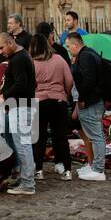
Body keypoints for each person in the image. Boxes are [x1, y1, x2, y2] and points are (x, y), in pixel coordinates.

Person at [0, 32, 37, 195]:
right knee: (22, 144)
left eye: (2, 47)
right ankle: (26, 179)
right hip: (20, 106)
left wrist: (3, 96)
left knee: (23, 145)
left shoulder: (18, 59)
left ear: (11, 43)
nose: (0, 52)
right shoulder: (22, 56)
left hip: (20, 107)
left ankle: (28, 183)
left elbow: (21, 84)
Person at [30, 33, 74, 181]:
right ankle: (67, 169)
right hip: (58, 101)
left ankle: (38, 169)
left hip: (39, 101)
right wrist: (65, 94)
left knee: (39, 137)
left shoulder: (32, 63)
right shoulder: (59, 59)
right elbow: (69, 80)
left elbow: (28, 85)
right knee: (61, 136)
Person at [66, 33, 108, 182]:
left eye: (68, 45)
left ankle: (98, 169)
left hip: (91, 101)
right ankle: (95, 167)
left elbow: (89, 79)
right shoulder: (89, 54)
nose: (68, 48)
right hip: (92, 100)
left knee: (96, 136)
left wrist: (82, 98)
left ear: (75, 44)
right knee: (94, 136)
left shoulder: (85, 56)